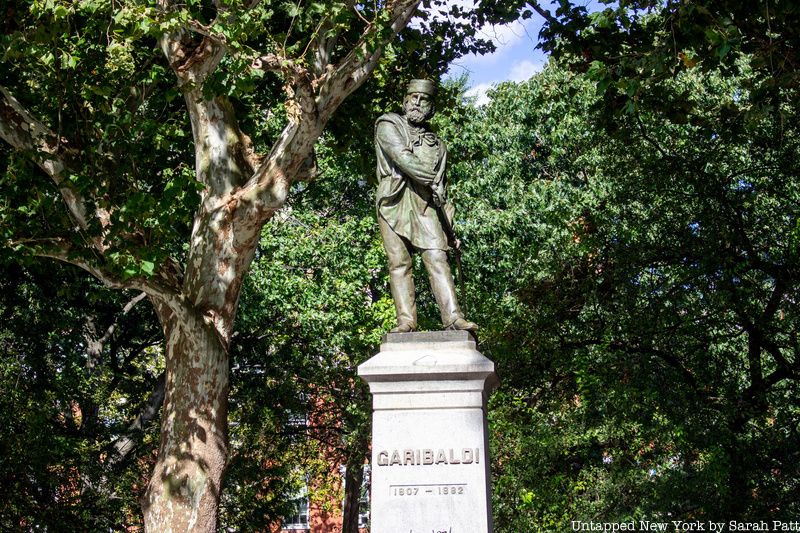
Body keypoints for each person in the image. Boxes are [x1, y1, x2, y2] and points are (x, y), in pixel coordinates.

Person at [374, 79, 478, 333]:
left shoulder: (438, 145)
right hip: (393, 200)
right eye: (413, 98)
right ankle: (406, 321)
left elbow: (443, 191)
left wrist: (450, 231)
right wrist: (431, 180)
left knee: (437, 256)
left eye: (424, 100)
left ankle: (453, 317)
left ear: (431, 108)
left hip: (424, 204)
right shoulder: (388, 124)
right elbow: (402, 157)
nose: (417, 104)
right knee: (399, 262)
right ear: (405, 101)